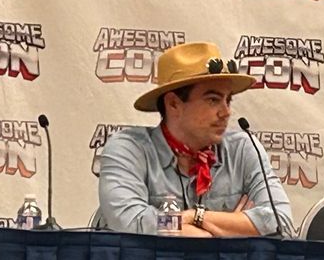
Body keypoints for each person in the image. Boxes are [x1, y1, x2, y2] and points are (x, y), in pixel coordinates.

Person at [98, 41, 293, 237]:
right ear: (173, 104)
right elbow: (132, 221)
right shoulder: (129, 149)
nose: (226, 112)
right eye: (213, 100)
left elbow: (280, 220)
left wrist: (198, 217)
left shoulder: (243, 148)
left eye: (228, 100)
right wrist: (226, 230)